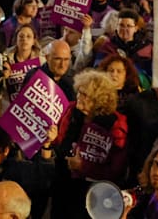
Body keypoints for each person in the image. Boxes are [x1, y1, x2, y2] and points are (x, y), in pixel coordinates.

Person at [51, 70, 128, 219]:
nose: (79, 97)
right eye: (79, 92)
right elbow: (61, 142)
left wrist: (82, 167)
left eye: (85, 95)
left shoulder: (115, 125)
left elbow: (116, 170)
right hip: (63, 183)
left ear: (98, 100)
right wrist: (53, 140)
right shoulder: (71, 110)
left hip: (92, 194)